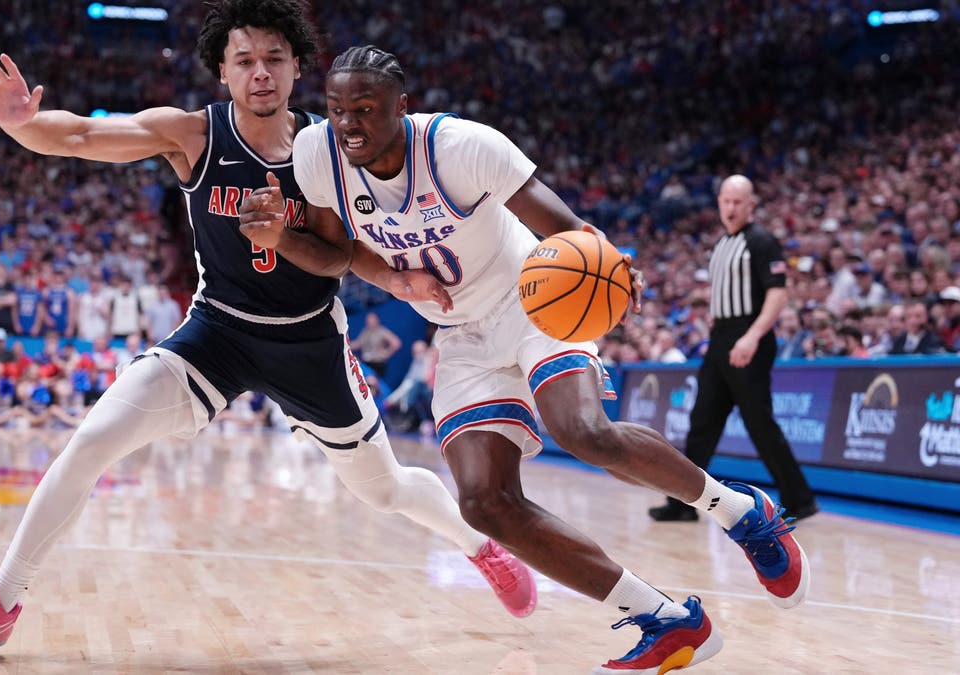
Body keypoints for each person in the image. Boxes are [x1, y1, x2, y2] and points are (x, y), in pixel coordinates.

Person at [0, 2, 533, 650]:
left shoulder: (327, 149)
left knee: (384, 490)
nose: (260, 73)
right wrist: (24, 122)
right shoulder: (194, 135)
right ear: (223, 74)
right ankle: (1, 600)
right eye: (244, 61)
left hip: (309, 338)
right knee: (94, 436)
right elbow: (82, 137)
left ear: (297, 69)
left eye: (273, 59)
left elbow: (343, 250)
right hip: (219, 332)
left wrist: (401, 279)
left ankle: (480, 546)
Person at [241, 46, 808, 673]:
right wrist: (285, 242)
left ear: (402, 107)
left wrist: (612, 265)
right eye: (338, 108)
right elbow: (336, 252)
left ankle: (742, 513)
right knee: (483, 503)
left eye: (366, 109)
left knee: (584, 431)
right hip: (459, 333)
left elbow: (563, 225)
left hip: (533, 300)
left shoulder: (462, 147)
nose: (349, 123)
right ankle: (667, 619)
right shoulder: (320, 156)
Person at [648, 176, 818, 523]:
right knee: (702, 423)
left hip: (748, 336)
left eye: (738, 201)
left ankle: (799, 500)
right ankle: (682, 502)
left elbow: (778, 293)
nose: (730, 207)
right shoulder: (722, 244)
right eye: (726, 200)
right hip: (722, 337)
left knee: (759, 423)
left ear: (751, 204)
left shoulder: (762, 241)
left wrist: (752, 336)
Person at [353, 311, 401, 378]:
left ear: (377, 320)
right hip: (366, 363)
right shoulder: (365, 332)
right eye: (368, 321)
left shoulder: (382, 331)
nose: (370, 322)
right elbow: (358, 343)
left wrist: (387, 353)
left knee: (374, 382)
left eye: (372, 320)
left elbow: (396, 343)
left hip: (377, 363)